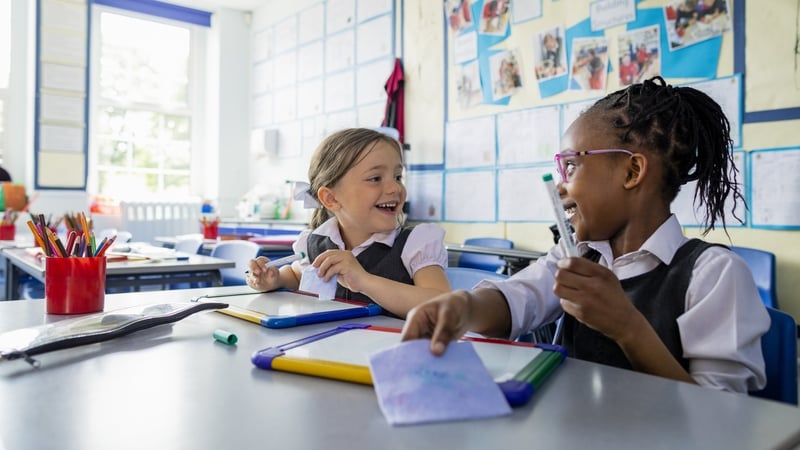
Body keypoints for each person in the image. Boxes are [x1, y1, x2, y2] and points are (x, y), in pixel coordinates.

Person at [402, 76, 769, 394]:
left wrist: (627, 327)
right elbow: (516, 300)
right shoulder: (577, 254)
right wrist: (464, 308)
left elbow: (722, 418)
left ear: (632, 172)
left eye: (572, 166)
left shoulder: (713, 275)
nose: (560, 186)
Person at [246, 128, 451, 318]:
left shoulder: (415, 244)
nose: (395, 188)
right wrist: (275, 279)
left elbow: (444, 306)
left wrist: (364, 281)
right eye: (375, 178)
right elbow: (297, 274)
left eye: (398, 177)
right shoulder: (316, 242)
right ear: (331, 199)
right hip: (331, 343)